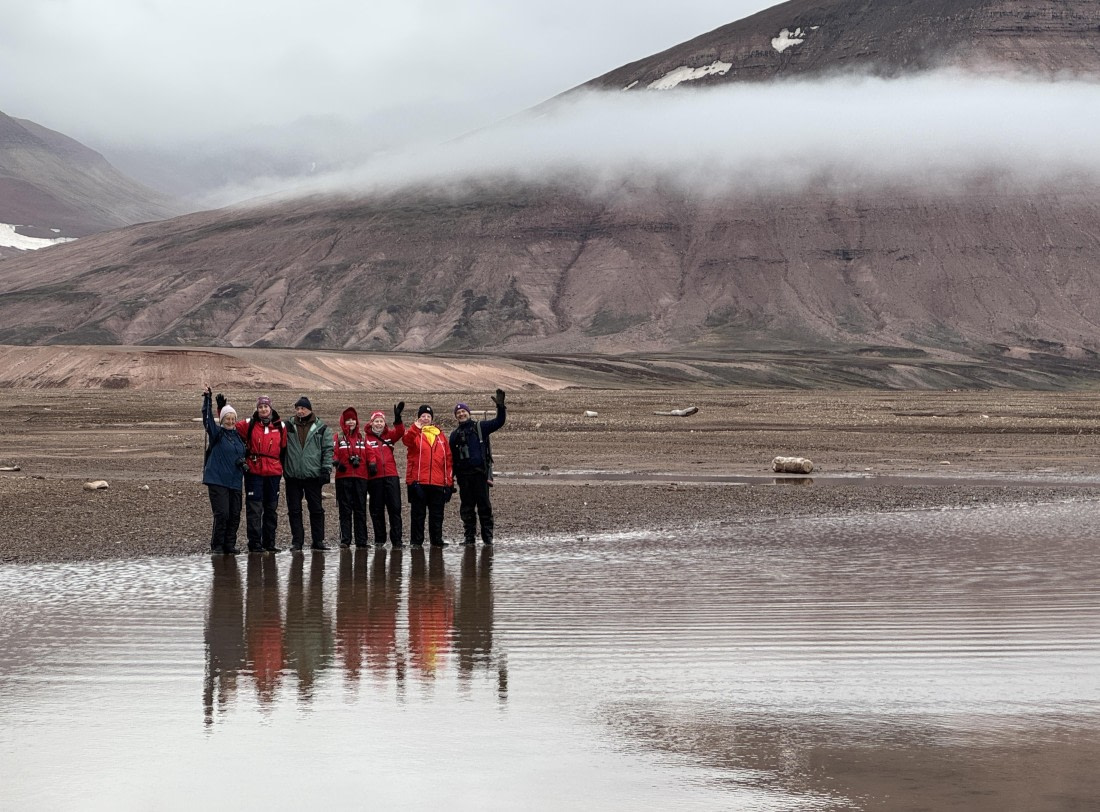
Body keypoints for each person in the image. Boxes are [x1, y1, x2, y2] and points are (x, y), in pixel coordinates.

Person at [449, 389, 506, 546]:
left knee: (484, 507)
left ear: (468, 413)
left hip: (480, 475)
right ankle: (469, 539)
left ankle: (488, 539)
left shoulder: (480, 427)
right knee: (466, 508)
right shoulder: (454, 435)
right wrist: (450, 479)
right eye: (458, 413)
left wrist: (501, 407)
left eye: (463, 411)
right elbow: (451, 458)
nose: (461, 414)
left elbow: (499, 422)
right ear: (456, 416)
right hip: (463, 477)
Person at [236, 395, 288, 553]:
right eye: (260, 407)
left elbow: (284, 448)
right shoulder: (249, 424)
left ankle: (269, 543)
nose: (263, 409)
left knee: (271, 508)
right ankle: (254, 544)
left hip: (273, 471)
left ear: (270, 408)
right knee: (254, 509)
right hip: (254, 471)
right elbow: (228, 425)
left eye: (266, 406)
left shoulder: (281, 426)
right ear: (257, 409)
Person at [283, 396, 334, 551]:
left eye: (303, 408)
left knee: (316, 510)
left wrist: (326, 469)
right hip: (292, 475)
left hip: (313, 475)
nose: (300, 411)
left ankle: (318, 541)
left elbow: (328, 450)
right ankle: (297, 542)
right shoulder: (287, 426)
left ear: (309, 409)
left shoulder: (321, 427)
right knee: (294, 510)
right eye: (297, 408)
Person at [202, 387, 247, 554]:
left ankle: (229, 545)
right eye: (227, 418)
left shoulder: (238, 436)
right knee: (222, 514)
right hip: (217, 479)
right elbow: (207, 420)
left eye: (233, 418)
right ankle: (217, 546)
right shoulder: (217, 433)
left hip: (235, 481)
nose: (230, 421)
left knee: (235, 514)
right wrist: (207, 399)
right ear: (222, 420)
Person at [402, 404, 454, 548]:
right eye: (423, 416)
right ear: (418, 418)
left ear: (432, 419)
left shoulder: (440, 436)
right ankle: (416, 543)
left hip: (438, 482)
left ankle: (436, 541)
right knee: (418, 515)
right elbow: (406, 441)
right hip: (418, 482)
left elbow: (448, 460)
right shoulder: (414, 433)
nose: (425, 418)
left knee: (437, 515)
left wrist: (449, 483)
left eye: (428, 416)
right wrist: (415, 427)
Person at [333, 407, 378, 548]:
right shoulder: (338, 437)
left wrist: (372, 463)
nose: (351, 422)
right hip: (343, 476)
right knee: (345, 509)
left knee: (360, 509)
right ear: (343, 421)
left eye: (353, 419)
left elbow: (370, 453)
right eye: (348, 420)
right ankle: (345, 540)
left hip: (360, 477)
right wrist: (337, 463)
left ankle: (361, 541)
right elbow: (333, 453)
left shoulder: (362, 437)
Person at [365, 402, 405, 548]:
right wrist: (371, 463)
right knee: (377, 510)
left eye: (381, 421)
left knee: (395, 508)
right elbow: (366, 454)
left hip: (391, 476)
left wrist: (398, 419)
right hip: (375, 478)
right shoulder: (366, 439)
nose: (379, 424)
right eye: (376, 421)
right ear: (371, 423)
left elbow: (400, 432)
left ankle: (397, 540)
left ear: (384, 423)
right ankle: (379, 540)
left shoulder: (389, 435)